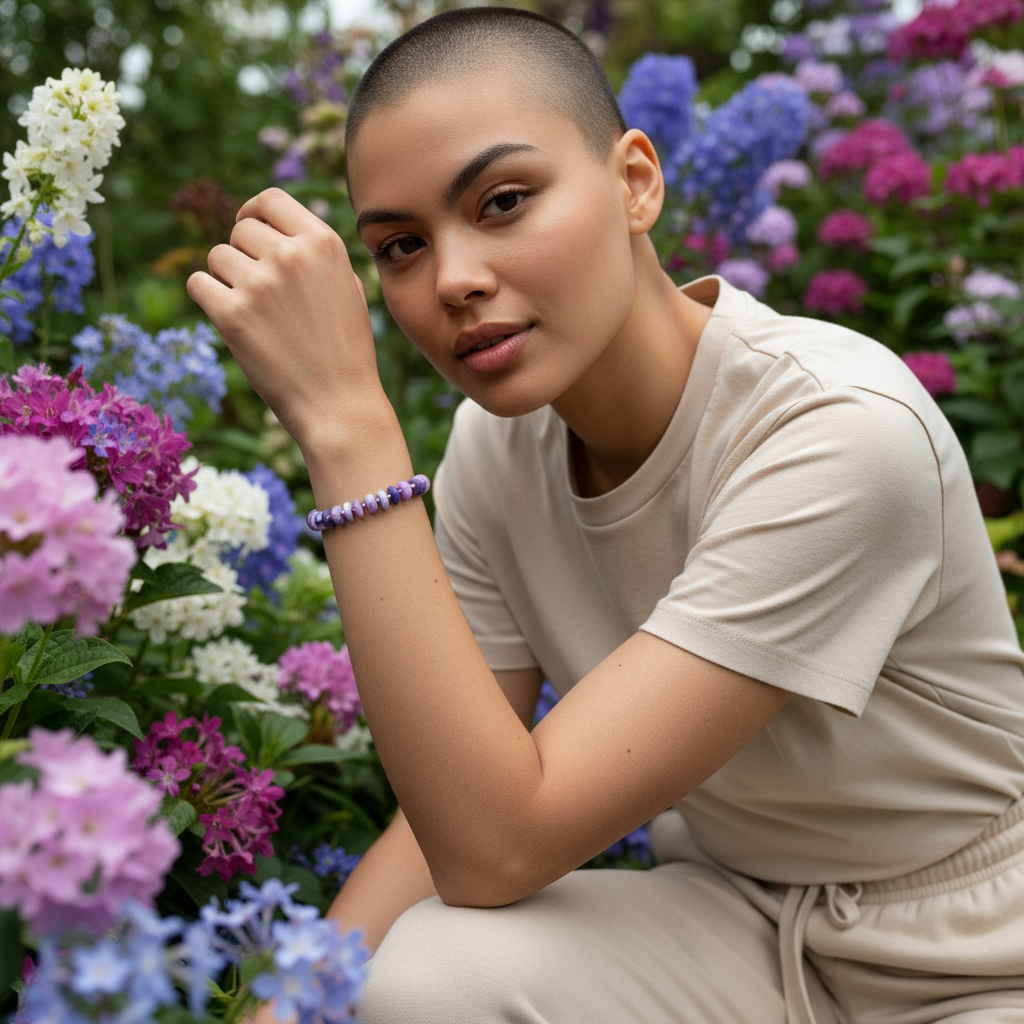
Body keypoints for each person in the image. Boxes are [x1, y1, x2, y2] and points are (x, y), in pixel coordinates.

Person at [187, 7, 1024, 1022]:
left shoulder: (836, 430)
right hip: (734, 925)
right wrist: (288, 1001)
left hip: (980, 953)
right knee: (423, 974)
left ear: (635, 181)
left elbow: (505, 843)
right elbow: (454, 812)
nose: (452, 279)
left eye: (501, 201)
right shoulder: (496, 450)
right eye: (402, 245)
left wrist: (346, 431)